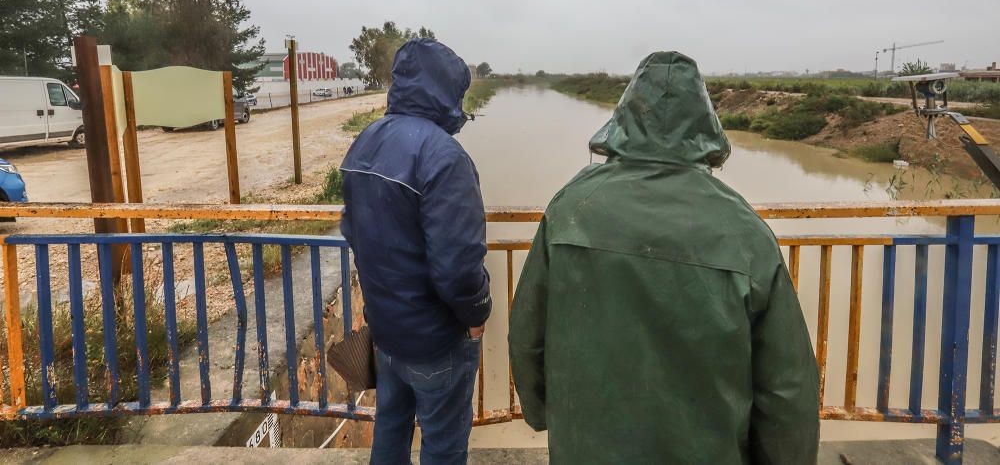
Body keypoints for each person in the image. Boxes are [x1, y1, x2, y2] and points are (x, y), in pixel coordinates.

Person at [509, 51, 820, 464]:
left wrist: (548, 415)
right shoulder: (745, 230)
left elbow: (527, 336)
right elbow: (787, 389)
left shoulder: (571, 209)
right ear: (706, 126)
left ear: (624, 118)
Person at [341, 38, 491, 465]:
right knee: (442, 445)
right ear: (447, 92)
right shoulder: (445, 156)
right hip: (436, 342)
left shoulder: (365, 142)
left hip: (387, 333)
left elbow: (354, 232)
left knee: (390, 427)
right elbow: (459, 268)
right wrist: (477, 313)